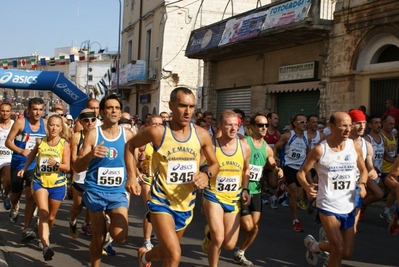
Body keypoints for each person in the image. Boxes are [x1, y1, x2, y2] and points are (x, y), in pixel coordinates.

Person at [124, 87, 219, 267]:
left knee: (167, 251)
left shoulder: (201, 134)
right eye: (183, 105)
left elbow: (215, 164)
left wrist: (206, 174)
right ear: (171, 105)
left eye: (191, 106)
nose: (188, 111)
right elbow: (130, 146)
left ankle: (145, 257)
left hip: (186, 204)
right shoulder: (158, 132)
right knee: (174, 254)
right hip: (161, 201)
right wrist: (131, 176)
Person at [297, 111, 368, 267]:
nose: (348, 129)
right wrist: (307, 188)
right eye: (343, 126)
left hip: (348, 205)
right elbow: (301, 173)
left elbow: (363, 171)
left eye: (350, 125)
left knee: (346, 252)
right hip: (327, 205)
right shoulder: (320, 149)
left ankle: (314, 246)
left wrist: (362, 185)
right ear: (332, 127)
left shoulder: (354, 147)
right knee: (338, 247)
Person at [74, 94, 135, 267]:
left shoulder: (128, 135)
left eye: (117, 107)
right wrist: (91, 154)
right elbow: (77, 166)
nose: (114, 110)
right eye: (109, 107)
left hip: (117, 192)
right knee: (98, 237)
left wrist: (133, 177)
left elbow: (133, 161)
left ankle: (108, 224)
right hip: (95, 191)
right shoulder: (94, 134)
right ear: (102, 112)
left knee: (120, 236)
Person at [200, 110, 250, 267]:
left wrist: (245, 189)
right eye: (229, 125)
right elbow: (199, 167)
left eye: (236, 125)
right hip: (213, 195)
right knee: (219, 238)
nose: (233, 129)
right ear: (220, 126)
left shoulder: (244, 147)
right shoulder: (211, 147)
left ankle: (209, 235)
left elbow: (246, 170)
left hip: (233, 197)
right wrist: (205, 173)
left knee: (229, 244)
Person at [17, 114, 70, 261]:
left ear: (61, 128)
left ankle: (44, 235)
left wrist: (57, 165)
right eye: (51, 125)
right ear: (48, 126)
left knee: (51, 217)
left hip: (58, 184)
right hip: (40, 182)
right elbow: (31, 156)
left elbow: (67, 167)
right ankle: (46, 245)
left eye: (57, 126)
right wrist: (24, 168)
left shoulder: (64, 144)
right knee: (43, 213)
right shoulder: (40, 141)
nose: (54, 128)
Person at [233, 112, 283, 266]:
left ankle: (240, 252)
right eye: (260, 125)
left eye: (266, 125)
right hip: (241, 189)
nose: (264, 128)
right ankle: (218, 232)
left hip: (256, 190)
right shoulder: (244, 142)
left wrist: (277, 170)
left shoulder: (267, 148)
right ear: (252, 127)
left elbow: (271, 162)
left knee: (254, 227)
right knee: (247, 225)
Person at [5, 97, 47, 243]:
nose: (37, 113)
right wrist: (21, 150)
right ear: (29, 110)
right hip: (19, 164)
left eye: (40, 109)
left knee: (30, 195)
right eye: (35, 109)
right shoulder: (21, 123)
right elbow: (8, 142)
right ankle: (14, 205)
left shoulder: (45, 124)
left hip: (35, 165)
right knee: (16, 195)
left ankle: (26, 227)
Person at [274, 114, 308, 232]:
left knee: (299, 197)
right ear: (295, 124)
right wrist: (275, 157)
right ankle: (295, 221)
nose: (305, 124)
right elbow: (276, 147)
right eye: (302, 122)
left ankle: (282, 186)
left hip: (300, 169)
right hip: (288, 166)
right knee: (294, 194)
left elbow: (307, 153)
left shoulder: (306, 138)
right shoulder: (288, 136)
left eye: (306, 121)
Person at [347, 109, 378, 232]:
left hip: (357, 184)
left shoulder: (367, 145)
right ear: (350, 124)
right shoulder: (340, 142)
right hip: (338, 186)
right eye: (358, 123)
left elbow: (369, 166)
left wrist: (372, 171)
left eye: (364, 123)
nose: (361, 126)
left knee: (352, 227)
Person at [68, 109, 97, 240]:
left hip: (95, 177)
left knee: (93, 206)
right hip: (80, 176)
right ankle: (72, 220)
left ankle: (88, 225)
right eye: (86, 120)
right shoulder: (76, 136)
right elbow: (73, 158)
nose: (90, 123)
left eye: (93, 120)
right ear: (81, 122)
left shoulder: (99, 135)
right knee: (78, 207)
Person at [137, 115, 163, 250]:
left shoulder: (167, 141)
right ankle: (147, 240)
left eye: (160, 123)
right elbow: (133, 161)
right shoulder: (143, 142)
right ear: (149, 124)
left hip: (163, 181)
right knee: (150, 210)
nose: (157, 126)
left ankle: (160, 234)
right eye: (154, 123)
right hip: (148, 179)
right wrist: (137, 172)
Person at [362, 115, 385, 221]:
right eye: (375, 123)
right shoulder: (366, 139)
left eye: (380, 122)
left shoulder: (382, 138)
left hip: (378, 172)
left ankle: (358, 213)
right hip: (368, 173)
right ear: (370, 125)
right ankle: (359, 208)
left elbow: (385, 156)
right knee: (379, 194)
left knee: (369, 194)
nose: (379, 125)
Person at [380, 114, 397, 223]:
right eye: (390, 124)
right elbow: (385, 155)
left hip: (394, 168)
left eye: (394, 124)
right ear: (384, 123)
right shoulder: (381, 136)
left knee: (395, 192)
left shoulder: (392, 135)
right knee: (395, 190)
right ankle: (387, 212)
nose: (392, 126)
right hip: (385, 170)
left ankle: (388, 211)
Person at [0, 103, 14, 210]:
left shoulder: (14, 125)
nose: (5, 113)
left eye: (7, 111)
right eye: (3, 111)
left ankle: (5, 194)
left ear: (11, 112)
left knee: (8, 180)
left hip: (8, 157)